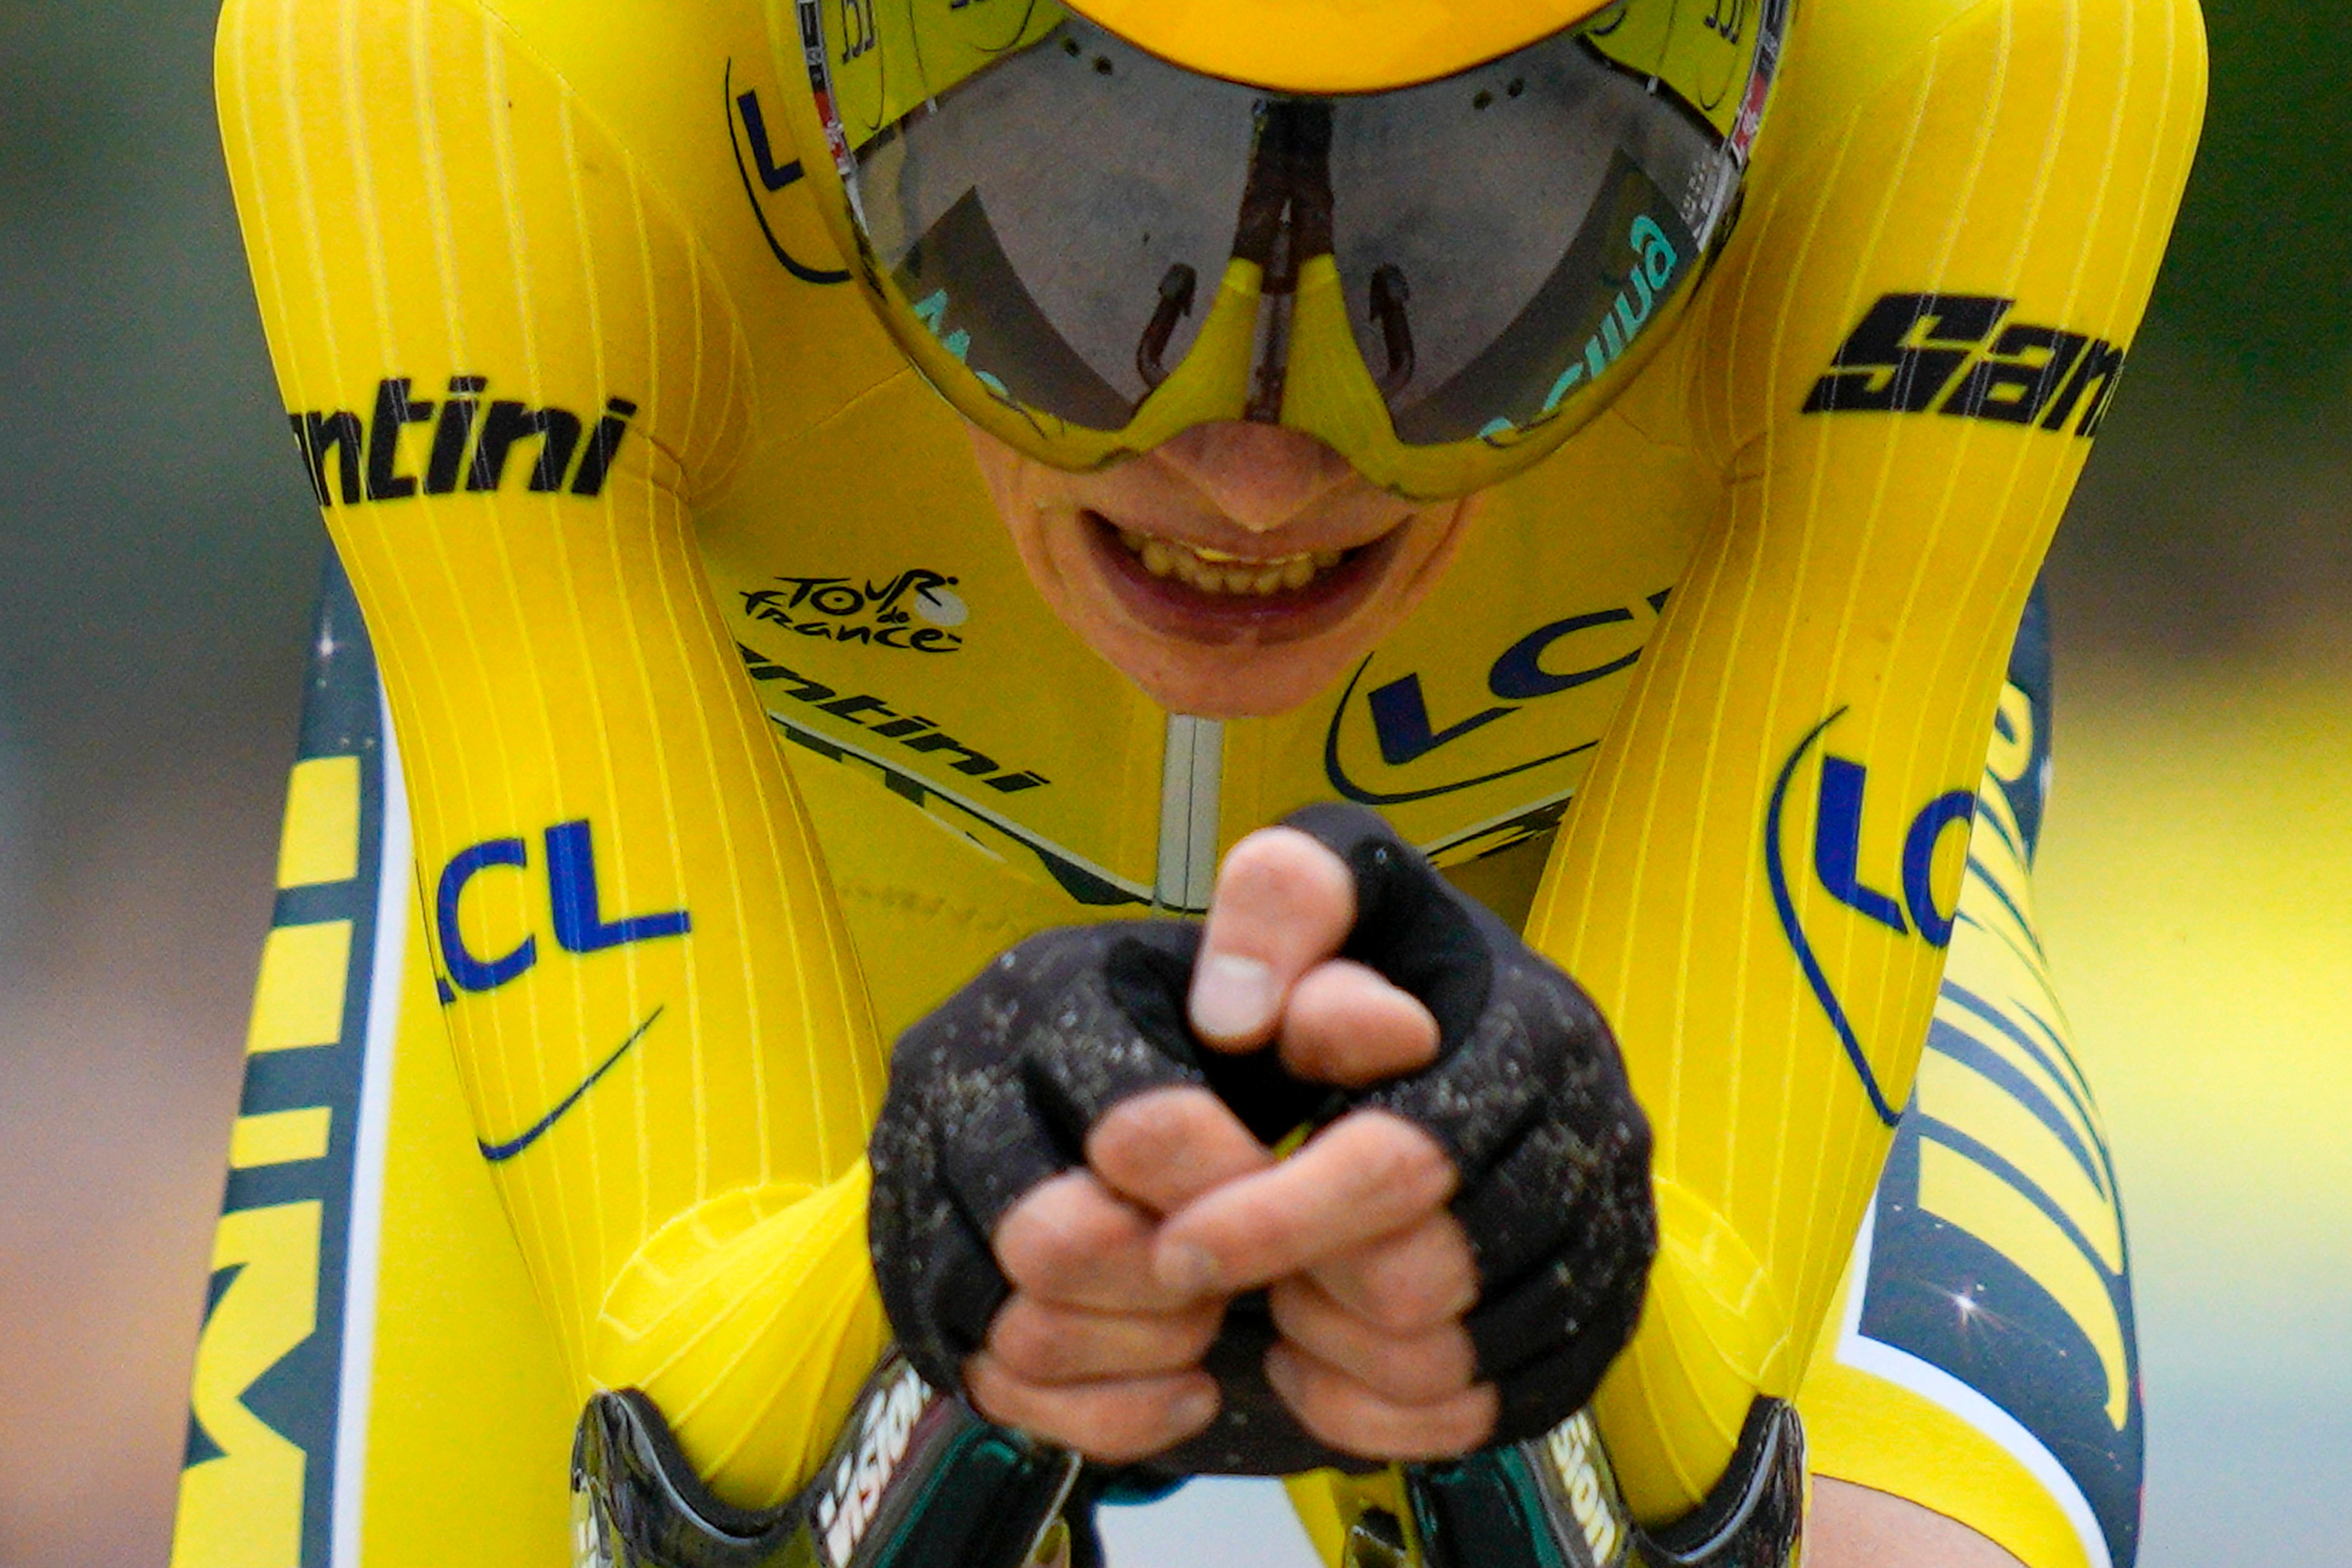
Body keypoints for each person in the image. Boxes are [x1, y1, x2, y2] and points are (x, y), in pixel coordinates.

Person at [169, 0, 2202, 1563]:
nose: (1252, 473)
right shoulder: (465, 54)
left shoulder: (2001, 53)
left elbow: (1697, 1456)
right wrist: (906, 1272)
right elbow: (698, 1411)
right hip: (782, 824)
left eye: (1481, 233)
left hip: (1594, 842)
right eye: (1077, 207)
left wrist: (1557, 1243)